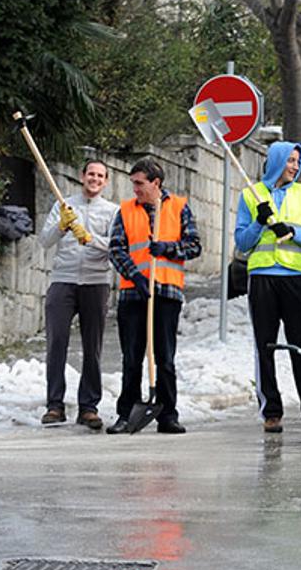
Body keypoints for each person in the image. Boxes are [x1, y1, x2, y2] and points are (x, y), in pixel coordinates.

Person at [235, 141, 301, 434]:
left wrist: (293, 231)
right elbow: (242, 242)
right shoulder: (250, 195)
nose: (294, 166)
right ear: (276, 161)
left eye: (297, 161)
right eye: (290, 160)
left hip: (295, 278)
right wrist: (259, 224)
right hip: (262, 277)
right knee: (265, 346)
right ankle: (271, 412)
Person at [106, 158, 202, 434]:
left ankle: (168, 414)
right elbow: (116, 248)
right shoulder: (125, 211)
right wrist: (135, 276)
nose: (134, 188)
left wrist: (168, 248)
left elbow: (194, 246)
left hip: (167, 292)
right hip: (133, 295)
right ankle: (126, 414)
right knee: (131, 358)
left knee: (165, 358)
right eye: (133, 183)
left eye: (139, 183)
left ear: (155, 183)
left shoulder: (179, 207)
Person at [37, 160, 118, 429]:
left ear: (105, 181)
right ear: (82, 176)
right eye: (90, 174)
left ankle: (88, 407)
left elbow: (117, 246)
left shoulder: (112, 211)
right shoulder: (64, 205)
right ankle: (54, 405)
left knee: (92, 346)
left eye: (100, 176)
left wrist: (91, 239)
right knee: (56, 342)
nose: (94, 179)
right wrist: (62, 225)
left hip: (96, 282)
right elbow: (45, 240)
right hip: (63, 280)